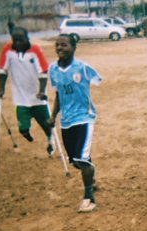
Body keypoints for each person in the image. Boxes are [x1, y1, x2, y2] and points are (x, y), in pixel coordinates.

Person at [48, 34, 101, 213]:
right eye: (57, 45)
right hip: (66, 121)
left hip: (85, 118)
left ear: (74, 47)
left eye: (64, 45)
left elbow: (96, 81)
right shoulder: (53, 70)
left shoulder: (83, 68)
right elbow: (58, 95)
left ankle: (89, 198)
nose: (60, 48)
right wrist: (53, 115)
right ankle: (91, 178)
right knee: (76, 162)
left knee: (82, 159)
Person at [0, 27, 55, 156]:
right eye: (14, 40)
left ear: (27, 38)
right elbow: (2, 70)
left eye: (20, 40)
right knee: (22, 128)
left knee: (46, 125)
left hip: (37, 97)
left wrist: (41, 91)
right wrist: (1, 89)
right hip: (21, 98)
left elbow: (43, 71)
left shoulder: (35, 50)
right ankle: (27, 135)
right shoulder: (8, 50)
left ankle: (50, 140)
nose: (17, 43)